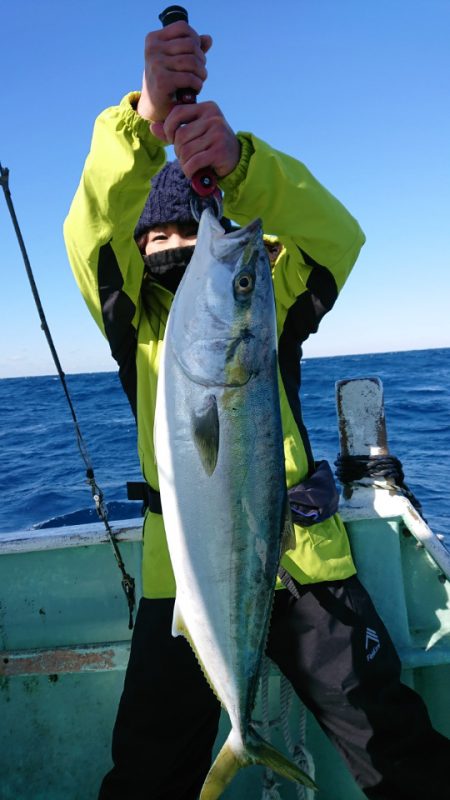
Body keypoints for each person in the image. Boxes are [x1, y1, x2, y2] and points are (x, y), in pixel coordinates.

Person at [64, 18, 450, 800]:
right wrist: (143, 121)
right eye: (162, 232)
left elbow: (338, 234)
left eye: (196, 226)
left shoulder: (266, 302)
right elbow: (93, 223)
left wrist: (239, 166)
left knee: (395, 745)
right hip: (185, 575)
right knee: (147, 772)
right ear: (138, 248)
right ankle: (235, 740)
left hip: (306, 561)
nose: (182, 242)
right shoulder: (135, 321)